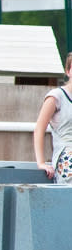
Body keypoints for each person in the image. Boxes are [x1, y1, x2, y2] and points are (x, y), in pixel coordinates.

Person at [33, 52, 72, 183]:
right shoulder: (56, 96)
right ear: (68, 71)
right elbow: (39, 129)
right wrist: (41, 163)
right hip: (66, 155)